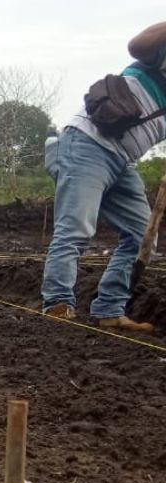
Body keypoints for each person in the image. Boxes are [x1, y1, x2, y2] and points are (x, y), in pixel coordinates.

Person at [38, 22, 166, 332]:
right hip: (86, 145)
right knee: (77, 228)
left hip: (122, 161)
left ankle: (109, 309)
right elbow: (137, 46)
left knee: (141, 237)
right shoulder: (159, 56)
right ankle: (57, 308)